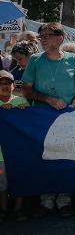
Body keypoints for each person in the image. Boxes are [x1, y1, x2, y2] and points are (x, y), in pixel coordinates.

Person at [22, 22, 75, 218]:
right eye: (41, 36)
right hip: (42, 117)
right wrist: (48, 99)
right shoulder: (35, 60)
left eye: (47, 35)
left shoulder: (73, 60)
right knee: (46, 158)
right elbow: (27, 89)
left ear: (60, 38)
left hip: (67, 119)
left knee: (66, 158)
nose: (43, 39)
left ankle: (64, 200)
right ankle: (46, 202)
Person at [0, 70, 30, 222]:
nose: (5, 86)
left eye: (8, 83)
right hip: (0, 156)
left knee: (20, 179)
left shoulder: (21, 102)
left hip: (19, 151)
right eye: (1, 83)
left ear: (13, 85)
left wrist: (23, 111)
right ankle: (3, 210)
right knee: (2, 183)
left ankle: (19, 209)